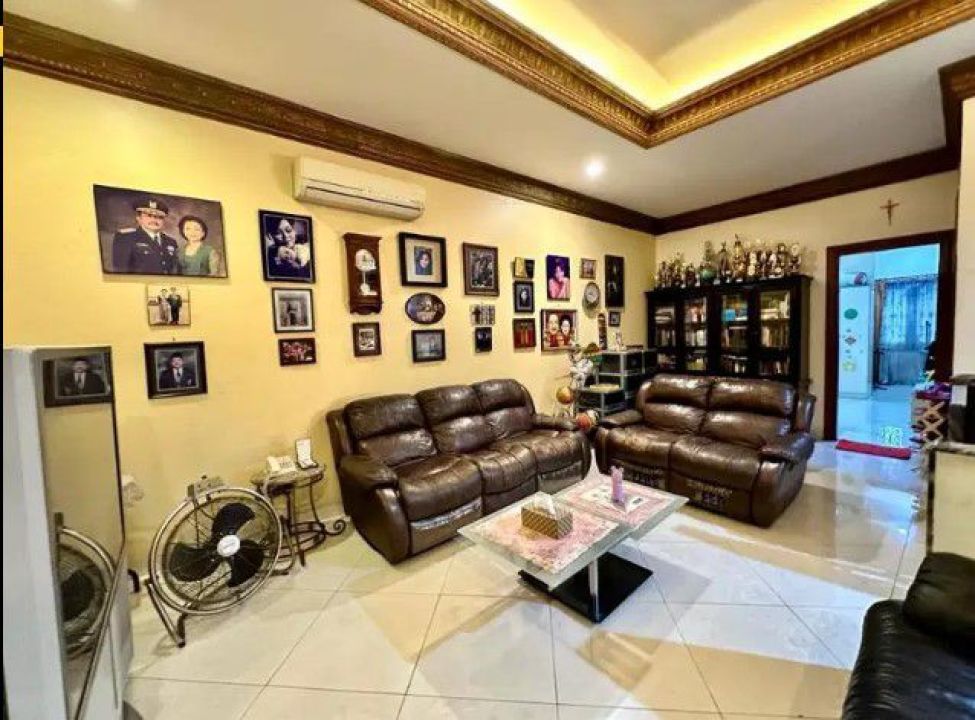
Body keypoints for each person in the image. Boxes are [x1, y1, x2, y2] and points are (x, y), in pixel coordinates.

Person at [111, 197, 179, 274]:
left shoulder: (171, 242)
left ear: (163, 221)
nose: (154, 220)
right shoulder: (126, 238)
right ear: (139, 218)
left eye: (159, 217)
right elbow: (121, 272)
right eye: (149, 215)